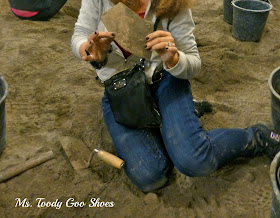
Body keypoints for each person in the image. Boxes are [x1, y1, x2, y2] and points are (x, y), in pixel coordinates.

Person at [72, 0, 280, 192]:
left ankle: (256, 137)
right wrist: (87, 49)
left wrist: (174, 58)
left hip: (166, 81)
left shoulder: (171, 4)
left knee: (194, 160)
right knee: (150, 176)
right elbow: (80, 34)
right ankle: (178, 118)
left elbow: (193, 64)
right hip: (122, 91)